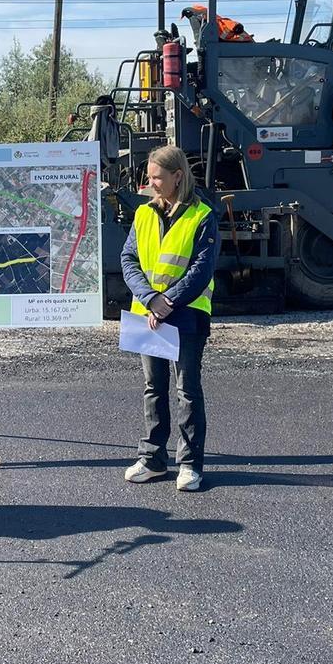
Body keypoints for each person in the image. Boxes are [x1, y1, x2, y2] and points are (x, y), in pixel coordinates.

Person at [120, 145, 218, 491]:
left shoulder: (202, 215)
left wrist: (168, 302)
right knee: (153, 388)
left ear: (178, 176)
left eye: (157, 178)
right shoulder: (144, 213)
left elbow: (201, 269)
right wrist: (150, 300)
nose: (151, 184)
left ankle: (189, 465)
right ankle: (153, 460)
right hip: (148, 315)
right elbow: (129, 259)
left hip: (186, 315)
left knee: (186, 389)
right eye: (149, 178)